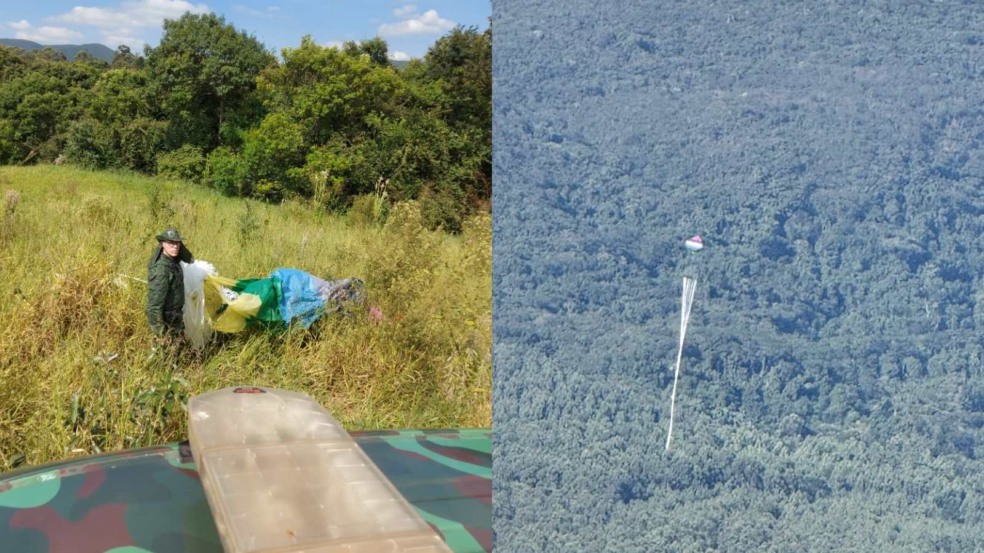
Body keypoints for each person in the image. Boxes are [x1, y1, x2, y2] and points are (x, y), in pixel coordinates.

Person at [146, 228, 194, 342]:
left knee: (179, 351)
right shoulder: (162, 270)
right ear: (162, 244)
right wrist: (161, 334)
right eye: (170, 243)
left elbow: (190, 259)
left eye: (177, 243)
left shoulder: (173, 261)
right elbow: (154, 306)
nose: (175, 246)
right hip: (166, 320)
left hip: (176, 317)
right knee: (163, 354)